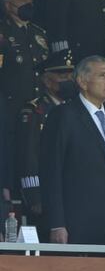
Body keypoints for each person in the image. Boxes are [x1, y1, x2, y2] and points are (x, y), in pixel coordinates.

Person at [40, 55, 105, 244]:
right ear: (82, 81)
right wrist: (57, 223)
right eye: (102, 75)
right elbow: (52, 171)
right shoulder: (64, 115)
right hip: (76, 224)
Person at [16, 51, 76, 227]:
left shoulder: (74, 110)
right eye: (63, 76)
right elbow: (28, 154)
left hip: (71, 193)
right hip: (45, 193)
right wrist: (34, 194)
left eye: (71, 75)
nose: (69, 80)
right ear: (47, 81)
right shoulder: (35, 111)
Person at [0, 0, 47, 131]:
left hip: (37, 106)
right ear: (8, 4)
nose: (28, 3)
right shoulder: (3, 33)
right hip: (10, 106)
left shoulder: (39, 33)